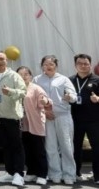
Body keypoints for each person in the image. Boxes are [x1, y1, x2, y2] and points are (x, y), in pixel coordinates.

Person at [33, 55, 77, 184]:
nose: (48, 66)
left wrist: (69, 96)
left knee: (66, 146)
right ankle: (55, 174)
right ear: (42, 66)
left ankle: (69, 175)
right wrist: (45, 112)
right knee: (50, 146)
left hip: (63, 116)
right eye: (45, 64)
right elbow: (33, 99)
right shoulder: (37, 80)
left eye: (51, 64)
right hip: (46, 117)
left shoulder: (63, 79)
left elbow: (74, 96)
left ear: (56, 66)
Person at [0, 51, 26, 187]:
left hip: (12, 117)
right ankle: (9, 172)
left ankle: (19, 174)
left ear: (6, 60)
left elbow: (23, 91)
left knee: (16, 146)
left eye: (1, 59)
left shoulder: (14, 75)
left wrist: (11, 92)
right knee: (6, 146)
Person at [69, 53, 99, 183]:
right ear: (75, 65)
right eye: (80, 63)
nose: (83, 66)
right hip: (75, 120)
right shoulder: (69, 80)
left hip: (94, 120)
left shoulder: (97, 80)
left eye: (86, 63)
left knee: (97, 148)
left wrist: (98, 99)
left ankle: (97, 175)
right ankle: (76, 173)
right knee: (75, 148)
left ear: (90, 65)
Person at [17, 66, 49, 185]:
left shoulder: (36, 88)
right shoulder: (16, 88)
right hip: (23, 124)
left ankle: (42, 174)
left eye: (26, 74)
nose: (23, 76)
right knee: (27, 150)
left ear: (31, 76)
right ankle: (31, 172)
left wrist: (45, 101)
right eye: (20, 74)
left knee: (39, 150)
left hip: (35, 123)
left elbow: (45, 99)